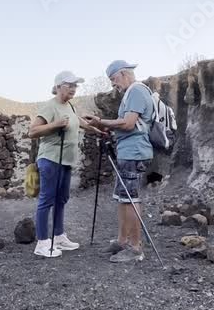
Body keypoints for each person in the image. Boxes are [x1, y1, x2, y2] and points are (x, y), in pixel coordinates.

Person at [27, 71, 105, 258]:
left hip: (66, 160)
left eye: (75, 86)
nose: (73, 89)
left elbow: (77, 121)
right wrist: (54, 125)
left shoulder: (70, 105)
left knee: (61, 198)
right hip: (50, 159)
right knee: (47, 199)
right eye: (69, 85)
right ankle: (42, 243)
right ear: (58, 86)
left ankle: (59, 236)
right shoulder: (50, 106)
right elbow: (32, 131)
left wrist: (95, 130)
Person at [83, 60, 154, 263]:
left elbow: (129, 124)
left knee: (131, 199)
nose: (113, 84)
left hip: (134, 153)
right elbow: (126, 124)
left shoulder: (137, 91)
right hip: (127, 152)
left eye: (114, 79)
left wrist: (101, 122)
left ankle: (135, 248)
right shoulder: (131, 93)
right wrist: (106, 127)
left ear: (124, 73)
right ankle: (122, 241)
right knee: (123, 198)